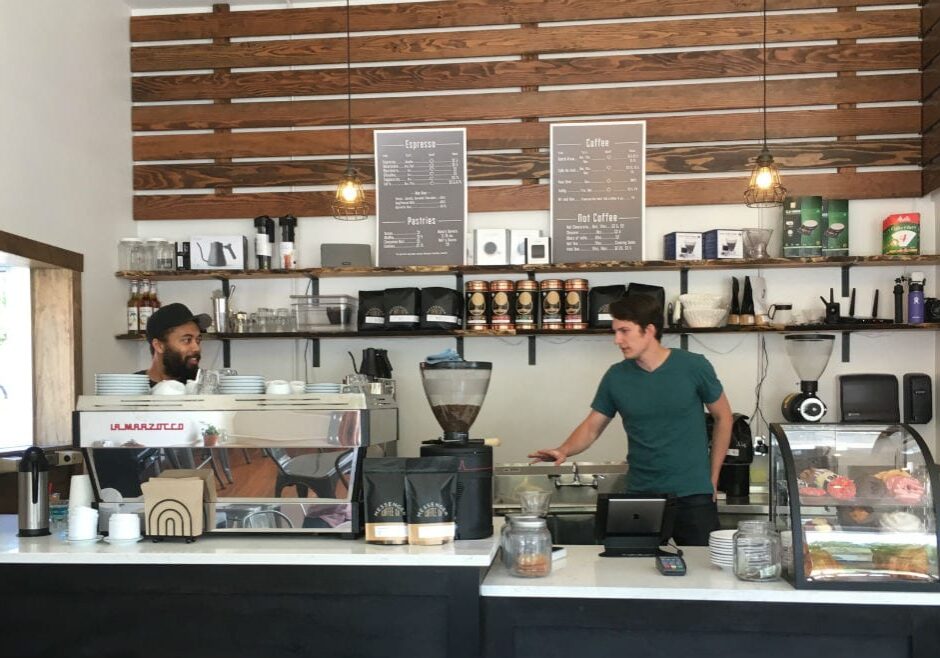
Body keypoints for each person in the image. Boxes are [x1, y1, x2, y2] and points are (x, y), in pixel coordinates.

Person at [529, 295, 733, 546]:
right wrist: (564, 450)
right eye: (615, 332)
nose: (617, 340)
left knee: (702, 568)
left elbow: (724, 417)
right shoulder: (616, 376)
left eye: (624, 331)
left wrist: (713, 476)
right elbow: (592, 427)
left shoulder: (694, 366)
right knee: (632, 566)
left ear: (649, 330)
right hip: (641, 493)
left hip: (694, 494)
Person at [138, 302, 211, 387]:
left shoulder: (205, 387)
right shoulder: (129, 387)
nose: (196, 348)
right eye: (187, 340)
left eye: (198, 340)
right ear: (159, 346)